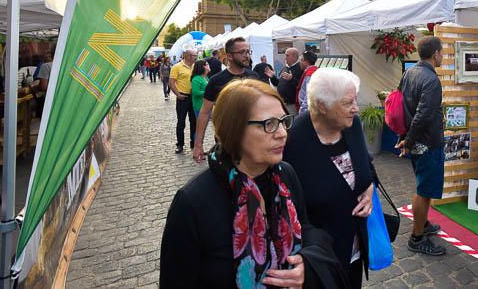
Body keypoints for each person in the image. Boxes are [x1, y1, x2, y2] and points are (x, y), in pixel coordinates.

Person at [160, 79, 349, 288]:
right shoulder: (192, 202)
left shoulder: (285, 175)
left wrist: (307, 263)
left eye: (284, 121)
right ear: (234, 129)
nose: (282, 133)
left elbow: (306, 229)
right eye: (269, 124)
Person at [283, 68, 374, 288]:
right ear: (322, 106)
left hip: (354, 245)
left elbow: (367, 164)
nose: (355, 109)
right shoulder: (292, 142)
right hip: (318, 257)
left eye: (355, 101)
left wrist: (370, 189)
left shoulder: (351, 126)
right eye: (347, 103)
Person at [394, 36, 447, 256]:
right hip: (427, 142)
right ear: (435, 54)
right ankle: (416, 238)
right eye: (442, 52)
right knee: (423, 191)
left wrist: (406, 136)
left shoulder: (410, 73)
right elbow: (423, 114)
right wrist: (410, 139)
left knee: (421, 184)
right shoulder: (431, 79)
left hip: (416, 140)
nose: (442, 56)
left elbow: (401, 102)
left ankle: (423, 224)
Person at [193, 38, 260, 163]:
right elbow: (205, 112)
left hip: (254, 138)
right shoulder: (216, 81)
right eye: (242, 52)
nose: (247, 56)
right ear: (229, 56)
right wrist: (198, 145)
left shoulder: (254, 76)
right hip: (227, 141)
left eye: (248, 52)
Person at [169, 49, 198, 154]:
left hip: (193, 97)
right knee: (181, 122)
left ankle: (194, 143)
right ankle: (180, 144)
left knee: (194, 122)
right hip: (183, 97)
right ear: (188, 56)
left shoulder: (195, 66)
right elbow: (171, 82)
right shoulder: (177, 67)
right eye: (195, 55)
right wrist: (178, 94)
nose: (197, 57)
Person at [278, 48, 303, 115]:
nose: (285, 58)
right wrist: (272, 77)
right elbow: (278, 83)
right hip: (282, 104)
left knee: (291, 124)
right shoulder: (285, 68)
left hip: (292, 105)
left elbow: (301, 87)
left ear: (294, 57)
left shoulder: (300, 68)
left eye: (287, 55)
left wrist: (291, 79)